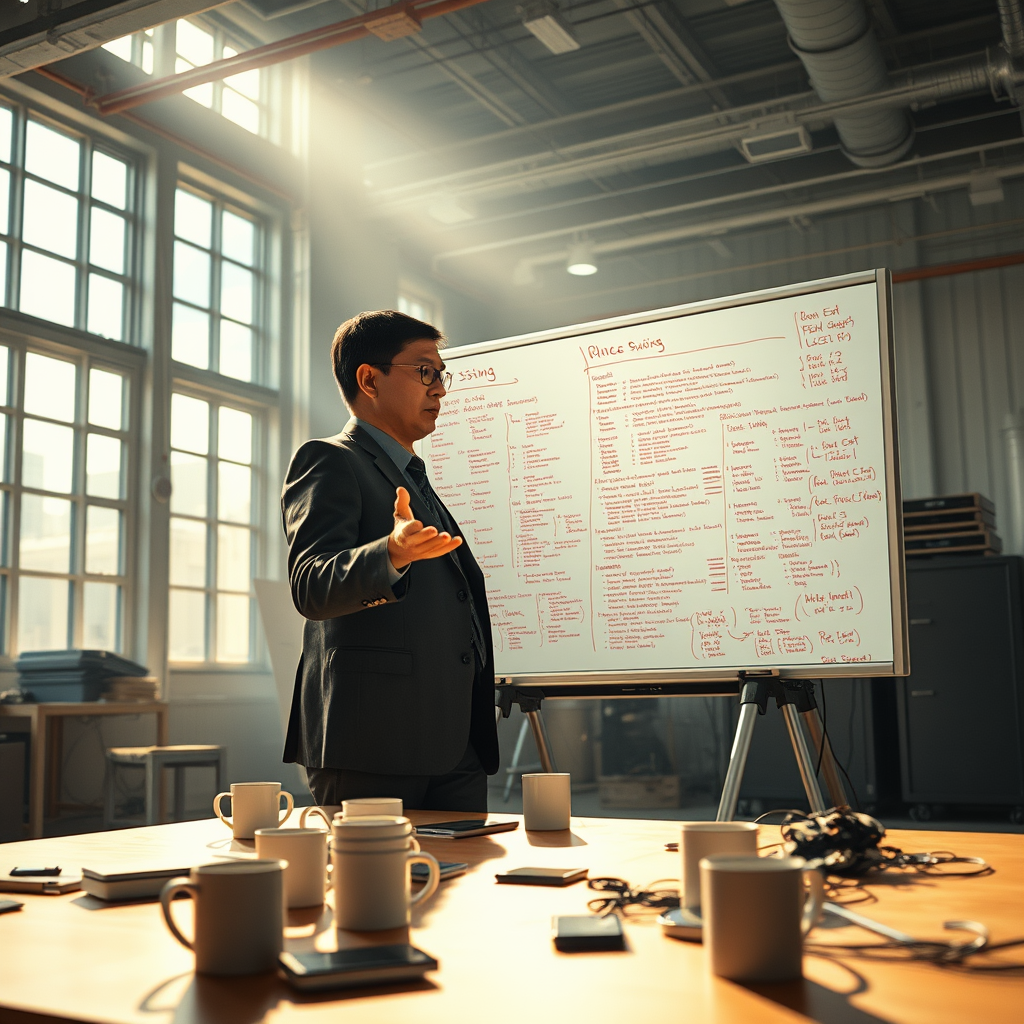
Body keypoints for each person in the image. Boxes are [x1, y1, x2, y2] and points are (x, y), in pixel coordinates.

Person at [281, 309, 498, 811]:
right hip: (373, 744)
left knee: (460, 886)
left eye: (442, 374)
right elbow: (311, 585)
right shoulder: (331, 459)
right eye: (425, 371)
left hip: (454, 744)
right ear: (369, 380)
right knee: (374, 889)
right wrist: (391, 553)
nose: (440, 388)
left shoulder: (412, 476)